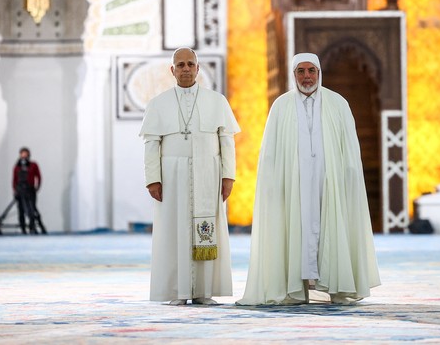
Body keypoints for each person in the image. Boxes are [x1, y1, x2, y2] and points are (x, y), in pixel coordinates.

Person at [238, 52, 380, 305]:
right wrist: (272, 185)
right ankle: (295, 289)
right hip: (294, 185)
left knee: (332, 227)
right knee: (294, 229)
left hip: (330, 182)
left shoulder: (338, 103)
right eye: (301, 71)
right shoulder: (281, 105)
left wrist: (348, 179)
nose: (306, 76)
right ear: (293, 75)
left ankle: (336, 287)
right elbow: (270, 152)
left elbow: (350, 148)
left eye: (311, 70)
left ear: (319, 73)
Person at [140, 47, 240, 306]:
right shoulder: (158, 103)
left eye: (190, 64)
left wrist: (228, 176)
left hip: (208, 174)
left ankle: (204, 291)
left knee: (206, 230)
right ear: (172, 70)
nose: (185, 69)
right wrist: (153, 179)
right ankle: (178, 291)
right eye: (180, 65)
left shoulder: (217, 101)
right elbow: (151, 144)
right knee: (174, 231)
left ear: (198, 68)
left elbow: (227, 141)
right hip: (172, 178)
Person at [12, 147, 43, 235]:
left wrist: (37, 187)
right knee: (21, 210)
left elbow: (38, 176)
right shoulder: (17, 167)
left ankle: (32, 227)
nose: (24, 156)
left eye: (25, 154)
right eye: (22, 154)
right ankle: (23, 228)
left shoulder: (33, 165)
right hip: (20, 191)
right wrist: (15, 190)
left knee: (32, 209)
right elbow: (14, 179)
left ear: (28, 155)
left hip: (30, 190)